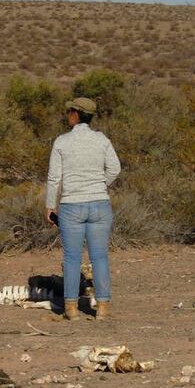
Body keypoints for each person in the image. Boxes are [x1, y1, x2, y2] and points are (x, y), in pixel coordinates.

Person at [45, 97, 121, 321]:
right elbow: (115, 169)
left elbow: (53, 178)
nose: (67, 114)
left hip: (71, 206)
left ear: (76, 114)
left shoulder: (61, 142)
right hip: (100, 204)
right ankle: (103, 308)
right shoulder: (102, 140)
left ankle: (71, 309)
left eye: (69, 111)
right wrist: (99, 184)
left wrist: (50, 205)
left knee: (71, 258)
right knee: (100, 257)